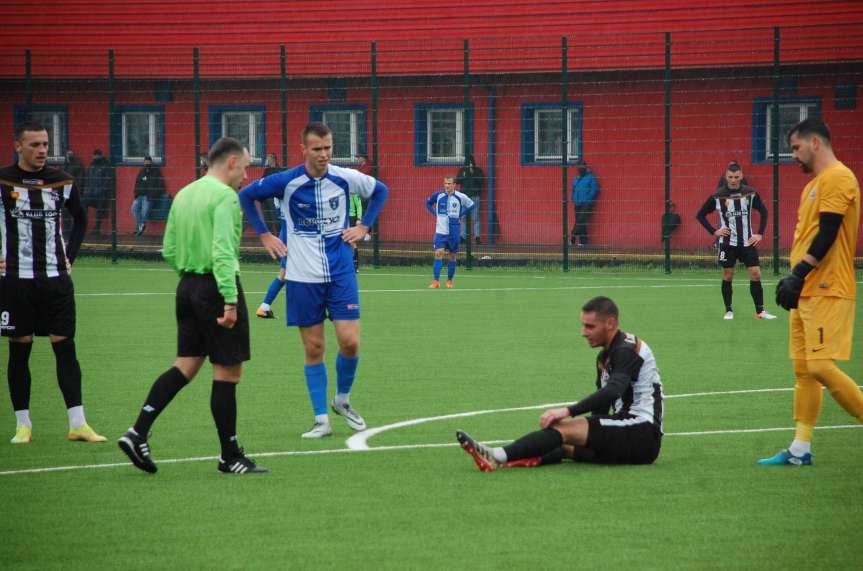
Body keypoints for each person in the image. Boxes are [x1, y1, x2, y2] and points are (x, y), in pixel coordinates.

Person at [117, 137, 268, 474]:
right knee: (227, 371)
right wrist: (229, 299)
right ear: (230, 163)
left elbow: (169, 249)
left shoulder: (185, 193)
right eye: (244, 167)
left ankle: (137, 431)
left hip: (186, 285)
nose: (246, 175)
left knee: (184, 365)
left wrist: (190, 277)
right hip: (216, 287)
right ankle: (230, 456)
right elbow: (223, 253)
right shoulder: (226, 198)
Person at [239, 122, 388, 438]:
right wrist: (264, 234)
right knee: (315, 347)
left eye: (328, 148)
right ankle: (321, 419)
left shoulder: (345, 177)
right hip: (302, 275)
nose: (324, 154)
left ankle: (342, 400)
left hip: (340, 270)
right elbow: (247, 195)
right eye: (317, 149)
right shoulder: (286, 181)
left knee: (350, 341)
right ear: (303, 149)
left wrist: (363, 226)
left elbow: (380, 191)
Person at [456, 296, 663, 471]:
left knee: (564, 428)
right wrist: (588, 431)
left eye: (590, 326)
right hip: (627, 434)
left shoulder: (626, 350)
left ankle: (495, 456)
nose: (583, 332)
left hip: (642, 433)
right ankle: (514, 460)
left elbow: (613, 390)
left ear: (610, 323)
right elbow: (600, 409)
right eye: (583, 325)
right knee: (563, 443)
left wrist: (567, 411)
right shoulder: (604, 357)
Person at [760, 118, 862, 466]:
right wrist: (794, 277)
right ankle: (799, 450)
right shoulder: (814, 186)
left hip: (828, 287)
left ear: (815, 143)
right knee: (803, 370)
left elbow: (829, 232)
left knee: (819, 366)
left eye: (795, 147)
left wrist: (799, 273)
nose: (793, 155)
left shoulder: (839, 177)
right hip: (806, 288)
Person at [1, 121, 105, 445]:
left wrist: (70, 256)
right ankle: (23, 425)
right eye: (35, 145)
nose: (42, 150)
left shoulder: (63, 181)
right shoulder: (3, 181)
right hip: (16, 279)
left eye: (45, 144)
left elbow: (81, 218)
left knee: (65, 346)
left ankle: (78, 423)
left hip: (56, 280)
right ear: (19, 146)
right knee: (21, 349)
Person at [696, 161, 775, 320]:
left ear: (741, 176)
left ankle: (760, 312)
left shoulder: (750, 193)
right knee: (728, 274)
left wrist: (759, 233)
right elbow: (700, 215)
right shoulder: (718, 195)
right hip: (727, 243)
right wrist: (714, 231)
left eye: (736, 176)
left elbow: (764, 212)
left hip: (747, 242)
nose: (733, 180)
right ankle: (729, 310)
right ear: (726, 177)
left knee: (755, 273)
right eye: (731, 177)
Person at [425, 176, 475, 289]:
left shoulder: (460, 196)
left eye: (449, 183)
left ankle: (449, 281)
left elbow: (472, 205)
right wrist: (435, 213)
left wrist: (461, 214)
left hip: (454, 231)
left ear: (454, 185)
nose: (447, 186)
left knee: (452, 256)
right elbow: (428, 203)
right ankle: (436, 281)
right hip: (440, 231)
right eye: (445, 183)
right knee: (438, 253)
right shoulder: (438, 195)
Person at [255, 196, 287, 319]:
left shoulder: (278, 191)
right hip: (293, 236)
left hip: (286, 234)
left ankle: (264, 307)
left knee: (284, 275)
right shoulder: (291, 187)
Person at [131, 155, 166, 236]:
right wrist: (136, 194)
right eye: (145, 161)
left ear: (151, 162)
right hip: (140, 195)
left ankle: (139, 227)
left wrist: (154, 194)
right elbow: (137, 183)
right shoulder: (141, 171)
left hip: (149, 196)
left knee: (144, 212)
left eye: (148, 161)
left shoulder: (156, 171)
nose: (147, 162)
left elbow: (160, 184)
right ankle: (141, 225)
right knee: (134, 209)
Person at [83, 149, 114, 235]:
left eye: (96, 155)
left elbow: (108, 180)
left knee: (100, 210)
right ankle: (83, 225)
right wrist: (87, 191)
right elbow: (87, 179)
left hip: (101, 194)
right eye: (94, 155)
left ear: (100, 155)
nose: (95, 157)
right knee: (83, 204)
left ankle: (97, 228)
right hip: (91, 193)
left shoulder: (105, 165)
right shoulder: (91, 165)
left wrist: (102, 190)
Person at [455, 155, 484, 243]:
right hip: (464, 197)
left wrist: (473, 173)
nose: (469, 164)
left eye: (471, 162)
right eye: (467, 163)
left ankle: (477, 237)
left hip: (474, 196)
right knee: (463, 217)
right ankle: (463, 237)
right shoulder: (462, 170)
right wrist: (464, 175)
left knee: (475, 217)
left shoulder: (477, 170)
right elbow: (457, 181)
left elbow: (481, 181)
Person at [570, 161, 600, 246]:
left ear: (585, 167)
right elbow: (573, 189)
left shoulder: (590, 177)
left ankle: (572, 236)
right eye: (579, 167)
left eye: (582, 167)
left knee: (580, 220)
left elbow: (595, 189)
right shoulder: (576, 178)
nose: (580, 169)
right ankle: (583, 241)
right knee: (580, 221)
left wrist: (588, 199)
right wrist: (573, 197)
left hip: (586, 204)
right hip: (577, 203)